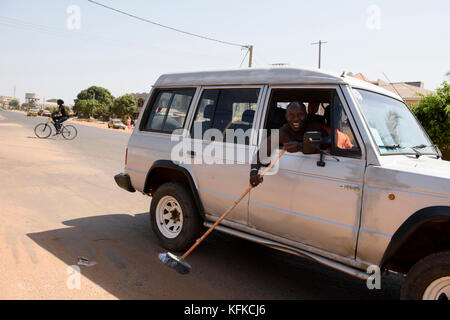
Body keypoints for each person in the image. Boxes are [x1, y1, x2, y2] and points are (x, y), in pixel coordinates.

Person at [249, 101, 308, 187]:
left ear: (306, 115)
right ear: (286, 117)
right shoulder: (283, 132)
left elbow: (327, 141)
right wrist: (253, 174)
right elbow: (261, 152)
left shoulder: (313, 126)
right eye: (291, 115)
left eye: (300, 114)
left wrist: (301, 146)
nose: (295, 119)